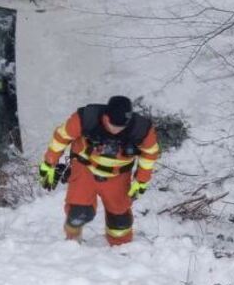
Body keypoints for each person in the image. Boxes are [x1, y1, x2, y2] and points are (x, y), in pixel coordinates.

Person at [38, 96, 161, 246]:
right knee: (79, 213)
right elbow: (61, 137)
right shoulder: (87, 118)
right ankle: (72, 243)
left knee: (120, 221)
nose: (117, 130)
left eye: (121, 127)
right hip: (85, 169)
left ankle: (121, 247)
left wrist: (141, 180)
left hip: (118, 176)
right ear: (106, 117)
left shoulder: (141, 129)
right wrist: (49, 162)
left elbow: (150, 154)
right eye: (113, 125)